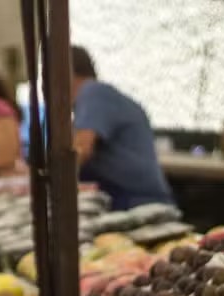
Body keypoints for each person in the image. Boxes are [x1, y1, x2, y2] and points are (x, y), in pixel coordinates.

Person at [71, 46, 174, 210]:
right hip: (131, 201)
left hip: (138, 204)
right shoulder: (96, 100)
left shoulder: (93, 92)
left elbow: (81, 149)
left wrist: (44, 179)